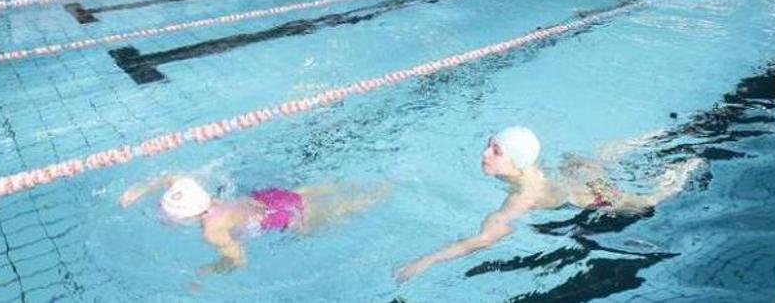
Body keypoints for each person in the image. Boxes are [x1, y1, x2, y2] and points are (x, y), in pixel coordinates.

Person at [395, 126, 702, 282]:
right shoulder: (527, 169)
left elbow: (486, 238)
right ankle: (650, 137)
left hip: (585, 193)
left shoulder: (524, 195)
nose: (485, 154)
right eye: (489, 144)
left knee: (644, 202)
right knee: (599, 156)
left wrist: (427, 261)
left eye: (496, 151)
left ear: (516, 161)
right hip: (573, 169)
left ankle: (683, 171)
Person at [119, 175, 384, 274]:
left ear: (189, 216)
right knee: (305, 196)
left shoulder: (212, 230)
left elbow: (239, 259)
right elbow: (172, 177)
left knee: (334, 214)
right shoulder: (198, 191)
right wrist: (141, 189)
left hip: (277, 217)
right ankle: (367, 183)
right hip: (268, 197)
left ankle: (377, 195)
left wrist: (210, 268)